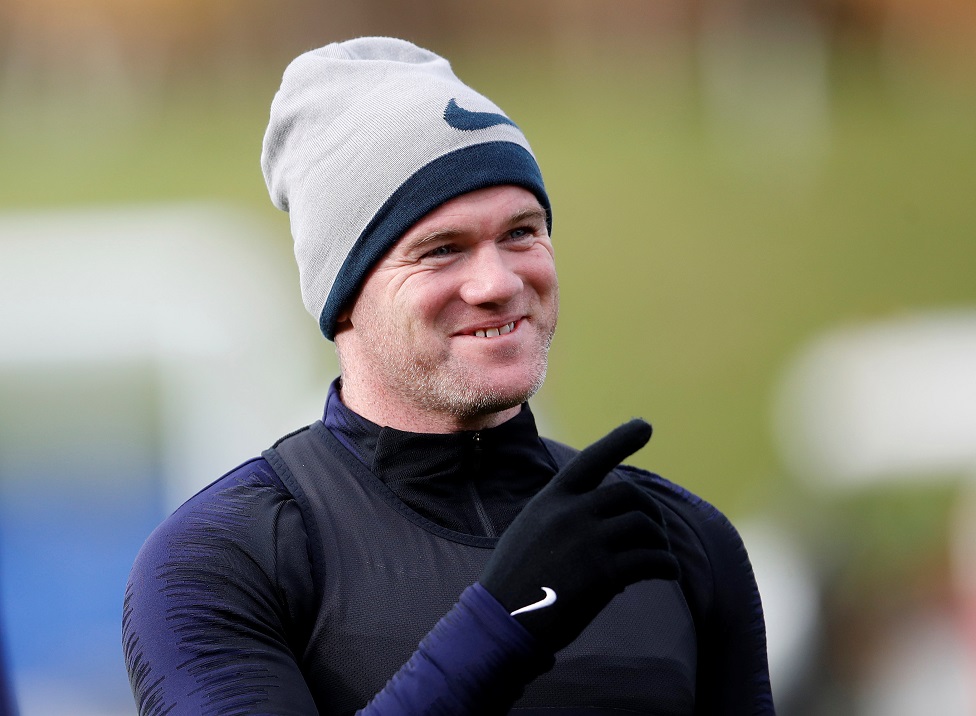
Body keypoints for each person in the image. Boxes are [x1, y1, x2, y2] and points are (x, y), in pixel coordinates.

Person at [122, 37, 774, 715]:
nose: (498, 282)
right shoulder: (225, 560)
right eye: (441, 250)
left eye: (522, 232)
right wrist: (507, 618)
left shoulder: (678, 536)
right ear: (343, 296)